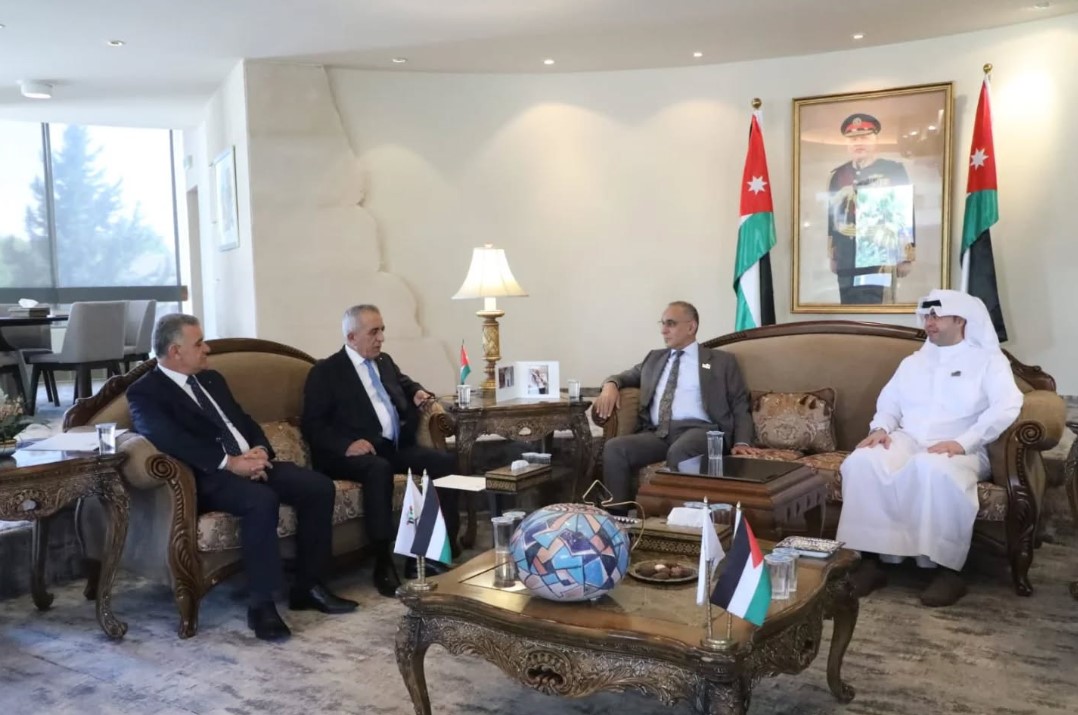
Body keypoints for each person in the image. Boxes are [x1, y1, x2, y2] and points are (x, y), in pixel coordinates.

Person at [127, 314, 357, 641]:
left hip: (249, 461)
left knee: (317, 487)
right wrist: (230, 463)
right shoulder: (145, 392)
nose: (207, 349)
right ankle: (262, 606)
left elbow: (243, 421)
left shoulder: (211, 379)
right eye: (199, 344)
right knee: (261, 500)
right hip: (207, 476)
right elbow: (168, 439)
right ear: (175, 351)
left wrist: (260, 450)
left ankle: (309, 587)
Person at [836, 289, 1023, 607]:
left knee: (930, 467)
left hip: (962, 447)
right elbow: (889, 403)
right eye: (926, 316)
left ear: (960, 319)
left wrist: (964, 441)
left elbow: (1008, 406)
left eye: (936, 316)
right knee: (863, 461)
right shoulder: (913, 362)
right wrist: (881, 429)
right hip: (908, 439)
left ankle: (948, 571)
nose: (928, 322)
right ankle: (870, 561)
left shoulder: (988, 361)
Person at [301, 304, 460, 597]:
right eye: (374, 332)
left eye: (382, 330)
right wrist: (345, 445)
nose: (381, 338)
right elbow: (313, 424)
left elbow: (402, 381)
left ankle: (426, 553)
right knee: (379, 469)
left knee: (444, 463)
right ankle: (382, 562)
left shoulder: (383, 361)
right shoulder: (326, 372)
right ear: (351, 337)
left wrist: (416, 390)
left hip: (391, 446)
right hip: (348, 455)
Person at [593, 301, 758, 504]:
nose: (663, 330)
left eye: (670, 324)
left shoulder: (720, 361)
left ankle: (679, 518)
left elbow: (739, 403)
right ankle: (617, 516)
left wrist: (742, 441)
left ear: (691, 327)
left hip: (702, 431)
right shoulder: (654, 358)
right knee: (615, 448)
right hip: (658, 433)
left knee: (680, 450)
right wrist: (610, 385)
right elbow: (624, 377)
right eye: (662, 323)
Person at [827, 113, 915, 305]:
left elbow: (904, 212)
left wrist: (906, 255)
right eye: (853, 139)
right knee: (848, 308)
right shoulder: (839, 175)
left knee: (877, 309)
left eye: (864, 137)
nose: (858, 143)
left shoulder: (893, 171)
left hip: (880, 253)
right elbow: (833, 216)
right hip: (847, 255)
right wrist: (833, 255)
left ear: (876, 140)